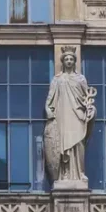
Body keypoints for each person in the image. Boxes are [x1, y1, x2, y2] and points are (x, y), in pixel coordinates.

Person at [43, 46, 96, 184]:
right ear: (62, 61)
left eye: (71, 59)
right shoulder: (57, 79)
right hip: (63, 115)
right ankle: (64, 173)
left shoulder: (80, 79)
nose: (68, 61)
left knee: (79, 144)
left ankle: (80, 173)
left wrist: (91, 110)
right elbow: (50, 98)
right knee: (63, 145)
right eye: (66, 58)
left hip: (78, 114)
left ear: (74, 61)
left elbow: (87, 98)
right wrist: (49, 110)